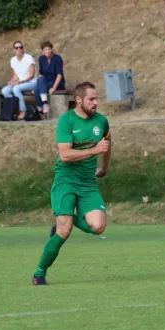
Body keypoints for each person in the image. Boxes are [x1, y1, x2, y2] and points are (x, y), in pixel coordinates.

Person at [32, 82, 112, 285]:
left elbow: (107, 143)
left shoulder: (101, 121)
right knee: (64, 232)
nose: (96, 103)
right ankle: (40, 273)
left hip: (87, 183)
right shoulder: (66, 121)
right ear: (78, 100)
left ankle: (67, 219)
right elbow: (65, 155)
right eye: (91, 99)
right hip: (66, 180)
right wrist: (94, 151)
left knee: (98, 227)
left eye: (97, 98)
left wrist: (104, 167)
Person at [1, 41, 37, 120]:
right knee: (5, 90)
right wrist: (12, 81)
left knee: (16, 88)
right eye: (16, 48)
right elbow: (16, 76)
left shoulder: (28, 58)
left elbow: (32, 75)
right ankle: (14, 109)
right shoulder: (13, 60)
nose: (19, 49)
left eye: (20, 47)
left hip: (31, 82)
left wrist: (20, 82)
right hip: (20, 83)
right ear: (13, 49)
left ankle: (23, 111)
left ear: (23, 48)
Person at [35, 40, 65, 116]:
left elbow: (59, 75)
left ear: (51, 49)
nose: (47, 51)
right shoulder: (41, 59)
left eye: (49, 49)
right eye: (45, 50)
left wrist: (54, 87)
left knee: (37, 89)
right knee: (37, 85)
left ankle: (40, 108)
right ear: (42, 51)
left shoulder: (57, 58)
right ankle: (45, 104)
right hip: (47, 81)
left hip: (56, 82)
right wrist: (37, 84)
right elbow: (41, 74)